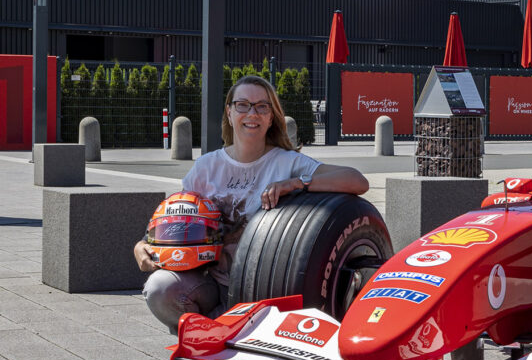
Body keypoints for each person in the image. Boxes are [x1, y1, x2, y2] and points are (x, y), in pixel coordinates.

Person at [134, 75, 368, 332]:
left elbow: (357, 180)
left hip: (265, 287)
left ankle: (218, 337)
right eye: (242, 105)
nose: (252, 113)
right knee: (160, 289)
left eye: (261, 106)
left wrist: (297, 183)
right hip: (211, 283)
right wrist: (143, 244)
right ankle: (204, 339)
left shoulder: (287, 163)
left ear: (271, 116)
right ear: (230, 111)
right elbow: (175, 220)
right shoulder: (206, 167)